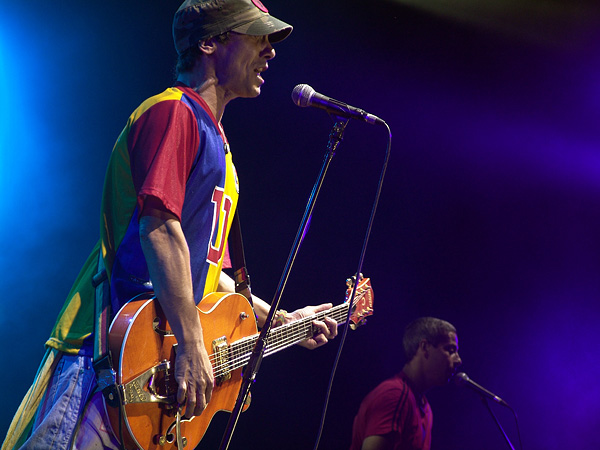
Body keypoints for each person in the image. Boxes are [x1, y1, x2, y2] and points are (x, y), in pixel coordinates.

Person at [2, 1, 338, 449]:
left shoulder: (222, 152)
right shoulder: (173, 112)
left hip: (150, 366)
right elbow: (159, 228)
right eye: (256, 36)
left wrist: (284, 319)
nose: (270, 51)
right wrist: (192, 342)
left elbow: (207, 272)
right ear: (209, 42)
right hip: (107, 356)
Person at [350, 317, 462, 450]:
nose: (458, 360)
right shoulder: (394, 396)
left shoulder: (424, 406)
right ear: (425, 347)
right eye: (450, 350)